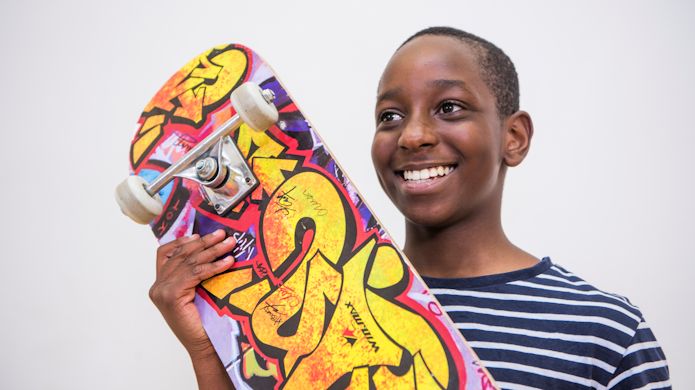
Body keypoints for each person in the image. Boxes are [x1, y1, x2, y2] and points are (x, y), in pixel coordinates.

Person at [150, 27, 671, 389]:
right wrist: (207, 349)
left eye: (449, 108)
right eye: (390, 115)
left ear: (513, 137)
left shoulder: (603, 330)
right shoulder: (319, 301)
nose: (414, 135)